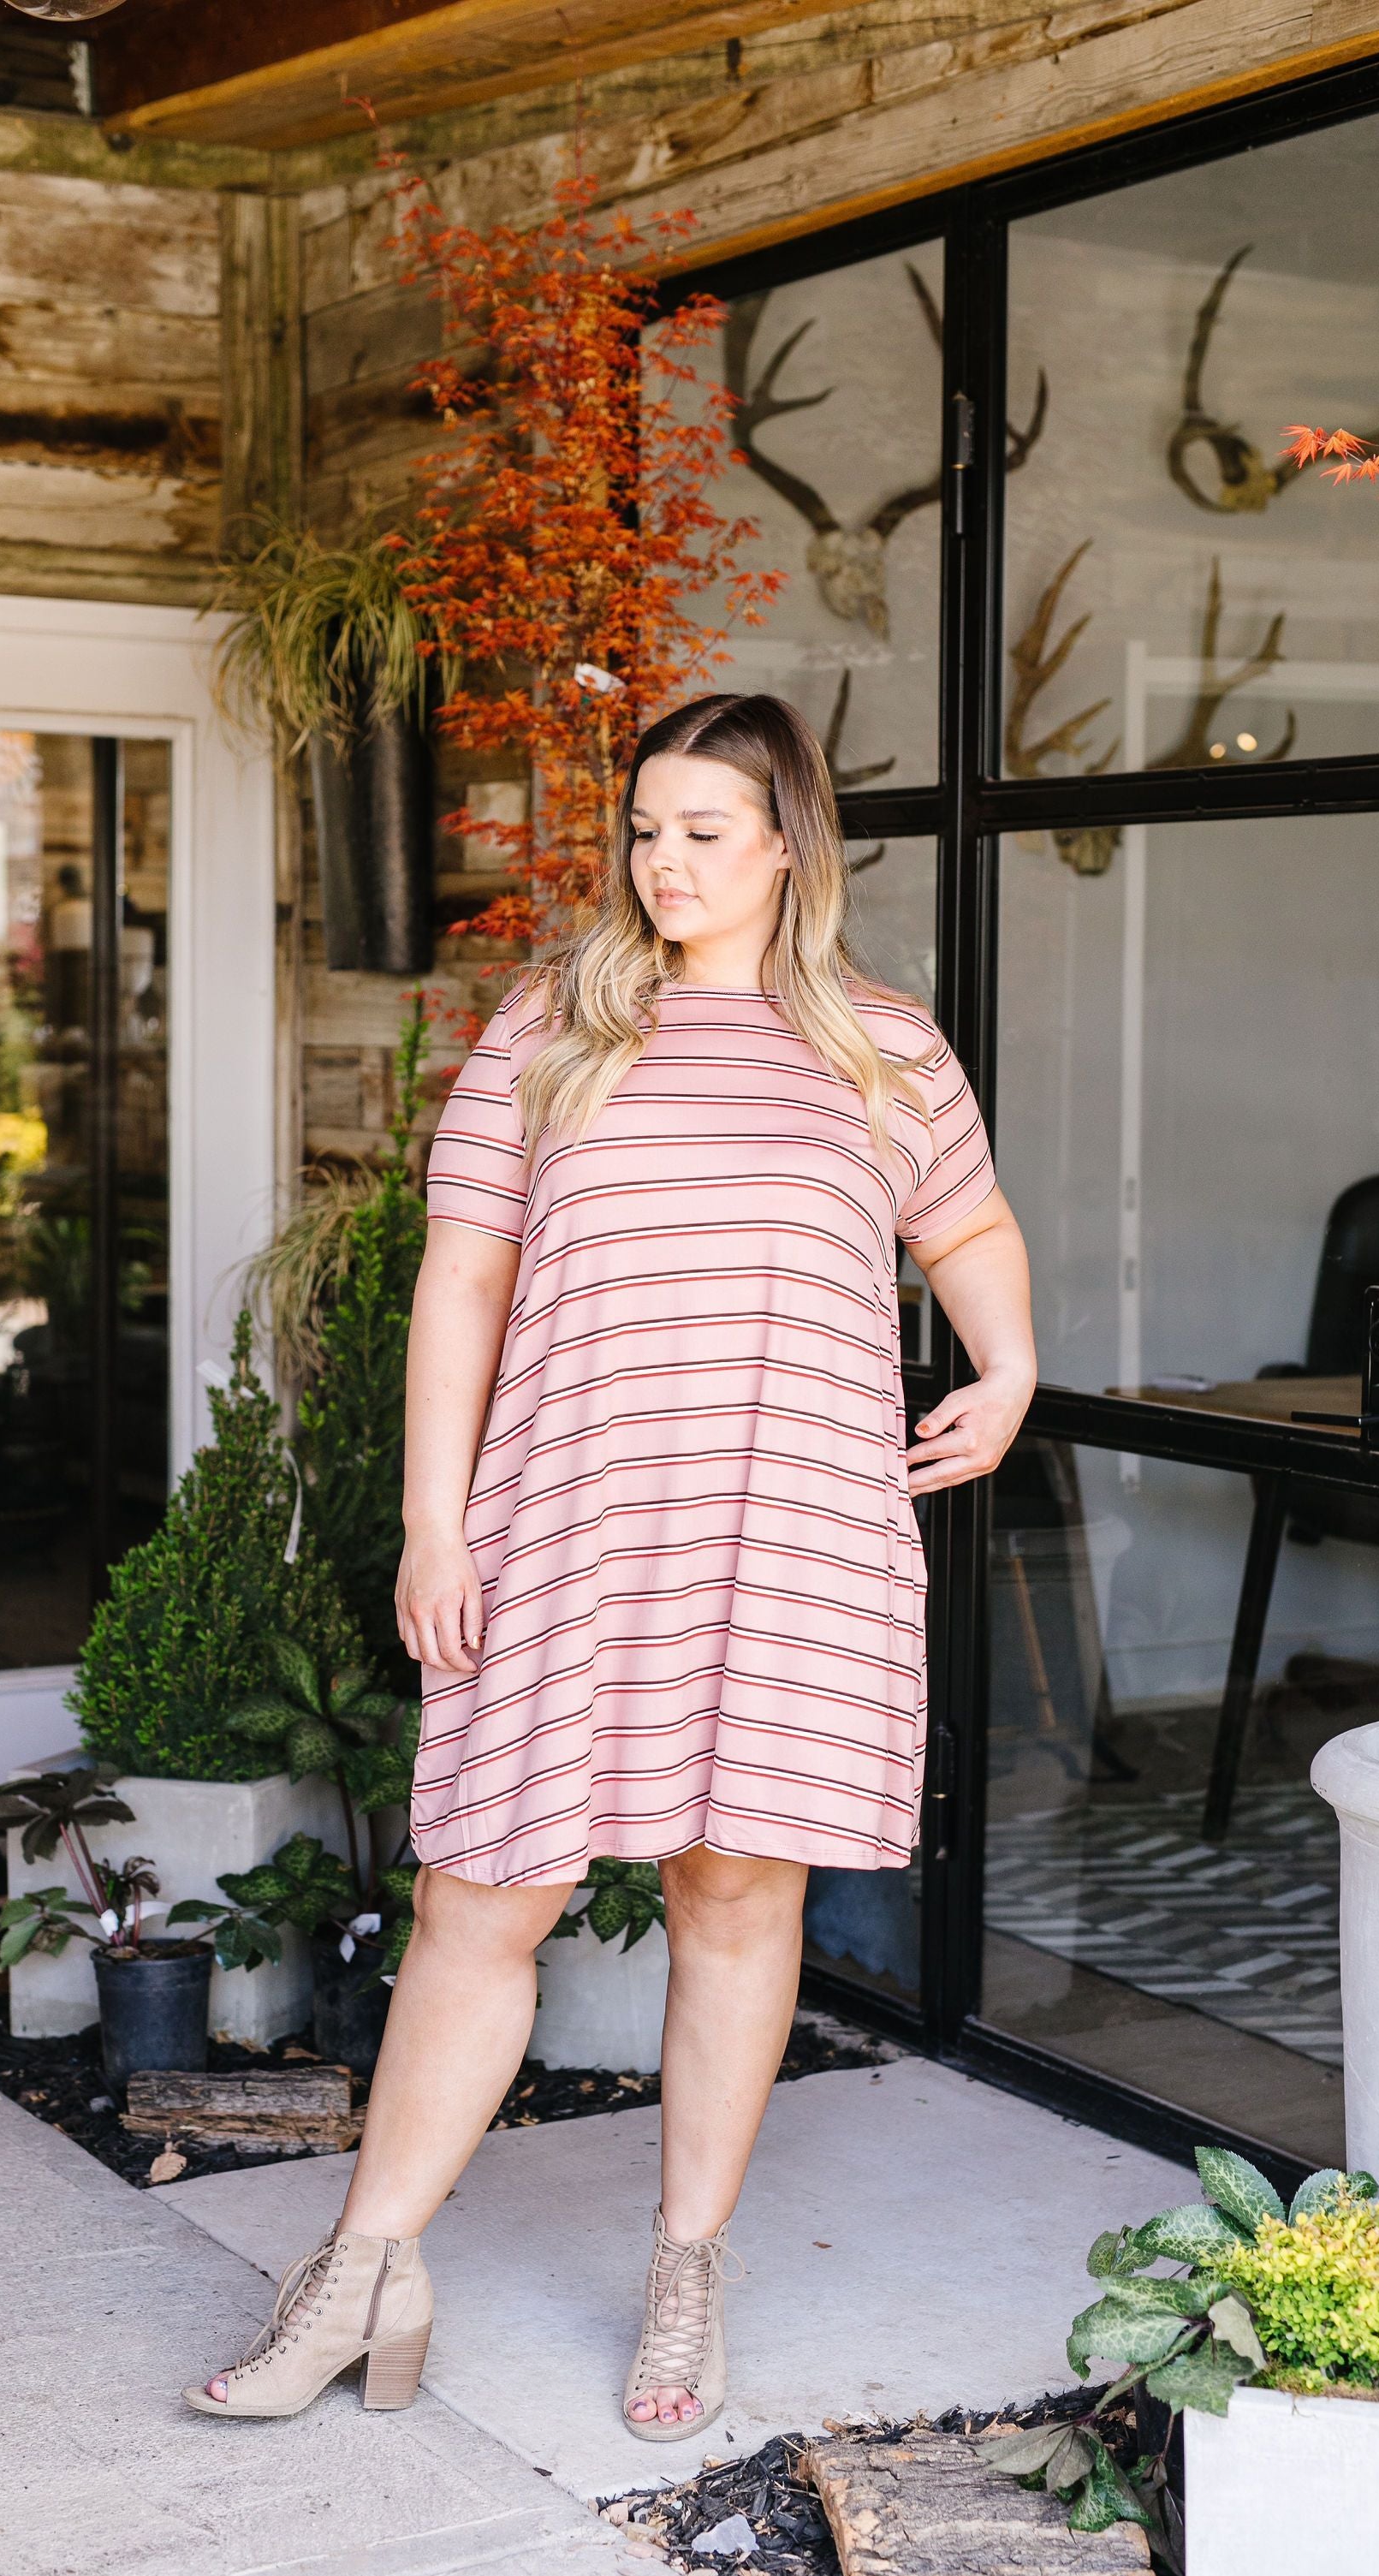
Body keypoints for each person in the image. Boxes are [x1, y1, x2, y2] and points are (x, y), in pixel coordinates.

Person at [185, 691, 1035, 2434]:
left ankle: (686, 2267)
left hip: (796, 1536)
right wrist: (436, 1519)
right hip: (568, 1525)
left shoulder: (882, 1046)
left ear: (788, 843)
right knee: (475, 1898)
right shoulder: (551, 1028)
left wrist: (1006, 1369)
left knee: (739, 1895)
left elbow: (966, 1223)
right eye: (642, 830)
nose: (662, 863)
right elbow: (463, 1285)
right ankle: (364, 2268)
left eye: (701, 833)